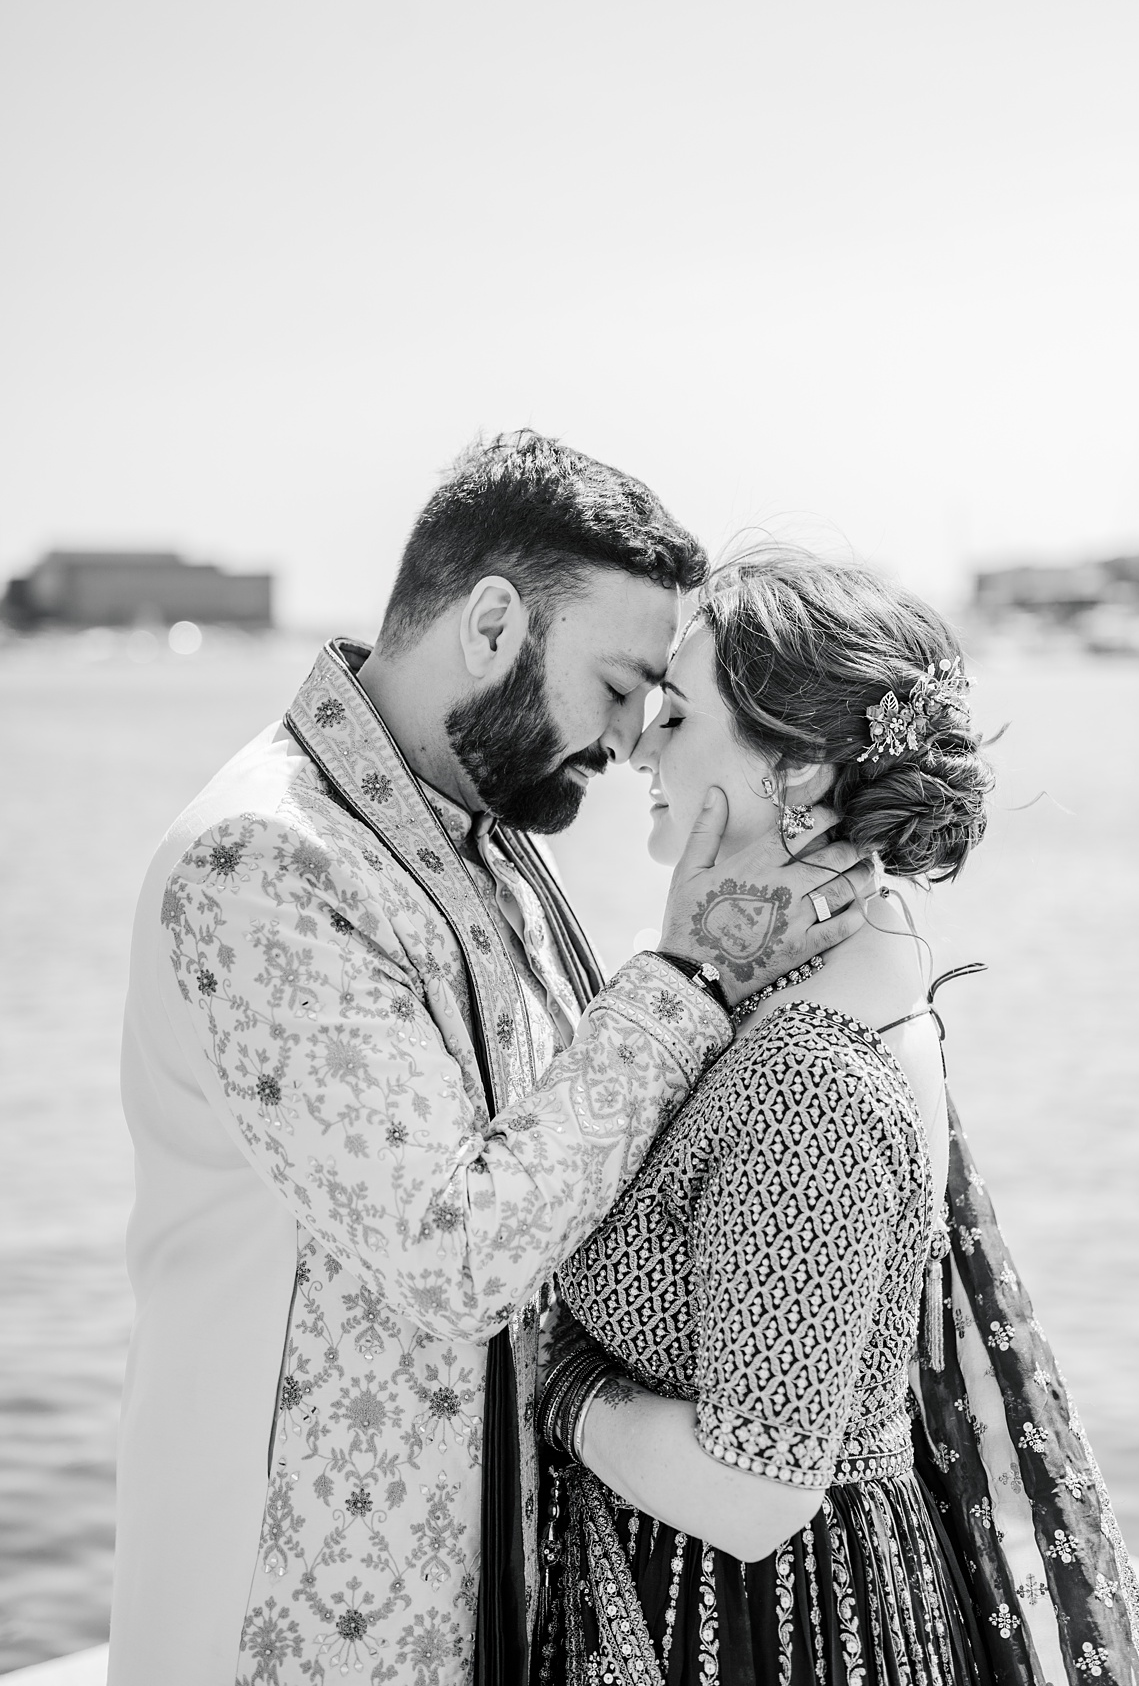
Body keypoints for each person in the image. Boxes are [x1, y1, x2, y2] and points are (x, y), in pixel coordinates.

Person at [113, 433, 875, 1685]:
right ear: (490, 623)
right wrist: (690, 976)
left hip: (490, 1591)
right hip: (281, 1614)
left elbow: (571, 1151)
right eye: (621, 685)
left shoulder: (486, 833)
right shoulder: (261, 865)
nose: (636, 741)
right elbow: (457, 1253)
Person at [531, 544, 1139, 1684]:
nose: (635, 746)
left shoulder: (806, 1075)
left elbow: (752, 1491)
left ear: (806, 776)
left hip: (756, 1629)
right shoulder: (823, 971)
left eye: (677, 717)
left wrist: (553, 1377)